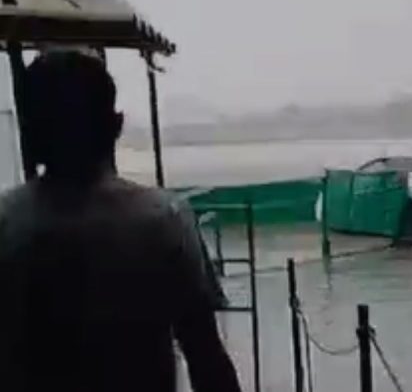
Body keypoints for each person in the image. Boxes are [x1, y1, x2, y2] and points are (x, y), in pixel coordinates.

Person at [0, 51, 241, 392]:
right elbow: (207, 359)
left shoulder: (7, 225)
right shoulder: (163, 221)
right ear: (116, 125)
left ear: (29, 134)